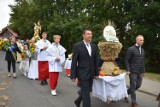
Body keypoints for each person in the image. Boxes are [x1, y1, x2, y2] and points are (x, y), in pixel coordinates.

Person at [71, 29, 99, 107]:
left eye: (91, 34)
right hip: (82, 73)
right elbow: (74, 61)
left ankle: (77, 101)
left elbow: (95, 61)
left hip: (92, 73)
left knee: (87, 90)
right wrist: (73, 75)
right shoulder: (77, 46)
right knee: (86, 94)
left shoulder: (94, 46)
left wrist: (97, 74)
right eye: (88, 34)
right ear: (83, 35)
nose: (90, 35)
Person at [125, 35, 145, 107]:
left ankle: (125, 93)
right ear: (136, 40)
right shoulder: (131, 49)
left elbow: (142, 61)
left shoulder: (142, 50)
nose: (142, 41)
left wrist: (143, 71)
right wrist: (128, 69)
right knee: (133, 87)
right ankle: (133, 102)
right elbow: (126, 60)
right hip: (133, 71)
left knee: (138, 85)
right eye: (140, 40)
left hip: (140, 72)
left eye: (143, 40)